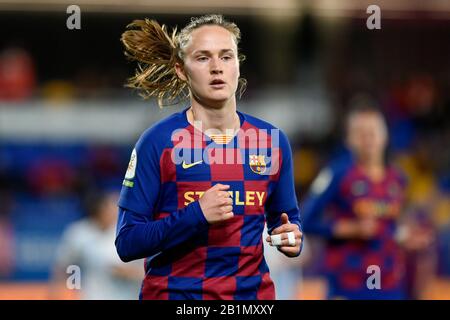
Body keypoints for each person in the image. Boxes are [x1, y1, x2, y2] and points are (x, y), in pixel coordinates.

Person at [115, 14, 303, 300]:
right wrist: (196, 215)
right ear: (181, 69)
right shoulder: (158, 142)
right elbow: (127, 242)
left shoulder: (272, 142)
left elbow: (286, 220)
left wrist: (290, 236)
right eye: (203, 58)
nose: (217, 68)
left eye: (226, 57)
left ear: (238, 64)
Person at [302, 97, 430, 299]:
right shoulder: (337, 175)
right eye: (361, 133)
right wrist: (350, 228)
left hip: (390, 285)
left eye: (373, 131)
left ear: (385, 134)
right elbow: (305, 220)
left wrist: (407, 237)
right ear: (349, 139)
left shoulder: (398, 179)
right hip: (349, 285)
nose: (368, 138)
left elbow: (390, 227)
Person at [51, 190, 143, 300]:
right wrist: (55, 293)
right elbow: (62, 265)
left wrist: (129, 273)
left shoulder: (133, 232)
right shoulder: (79, 232)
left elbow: (149, 272)